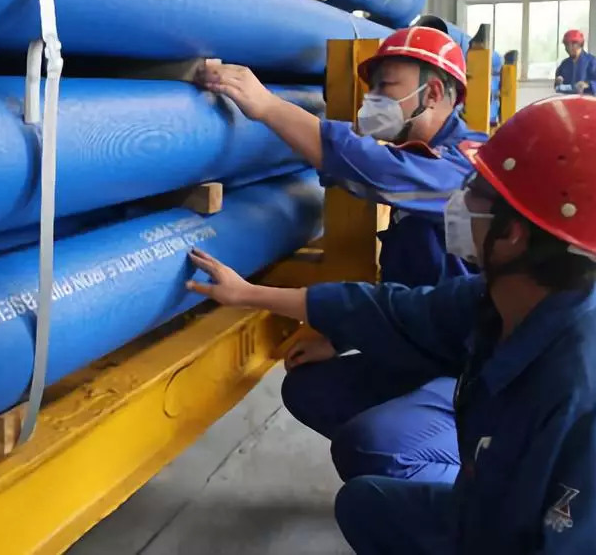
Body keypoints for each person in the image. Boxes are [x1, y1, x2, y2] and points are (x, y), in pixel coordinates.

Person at [186, 95, 596, 554]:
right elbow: (388, 310)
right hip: (484, 506)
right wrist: (248, 294)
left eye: (475, 192)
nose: (460, 203)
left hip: (514, 538)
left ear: (512, 234)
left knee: (382, 460)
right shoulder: (500, 301)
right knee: (364, 505)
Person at [197, 26, 486, 483]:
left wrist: (268, 106)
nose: (373, 100)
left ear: (432, 93)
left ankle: (473, 480)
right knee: (311, 389)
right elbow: (407, 286)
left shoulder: (466, 168)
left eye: (387, 86)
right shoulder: (421, 162)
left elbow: (377, 170)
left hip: (473, 369)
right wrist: (338, 337)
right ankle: (409, 460)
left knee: (376, 446)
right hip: (428, 344)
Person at [555, 29, 596, 95]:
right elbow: (557, 86)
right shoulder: (564, 64)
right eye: (566, 45)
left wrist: (586, 84)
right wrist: (558, 81)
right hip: (567, 99)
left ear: (580, 44)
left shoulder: (591, 61)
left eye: (572, 45)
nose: (569, 48)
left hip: (584, 99)